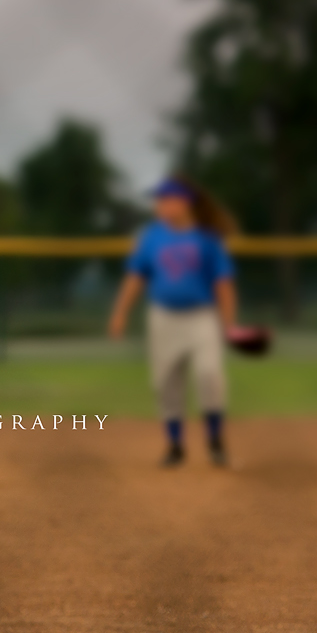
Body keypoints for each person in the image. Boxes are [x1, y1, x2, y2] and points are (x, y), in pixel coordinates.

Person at [107, 176, 239, 468]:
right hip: (163, 316)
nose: (160, 205)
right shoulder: (152, 236)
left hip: (202, 316)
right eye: (159, 200)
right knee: (165, 382)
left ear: (185, 202)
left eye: (166, 199)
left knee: (209, 375)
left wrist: (229, 323)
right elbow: (135, 277)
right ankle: (175, 446)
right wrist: (120, 313)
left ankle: (215, 441)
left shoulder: (207, 237)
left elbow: (223, 283)